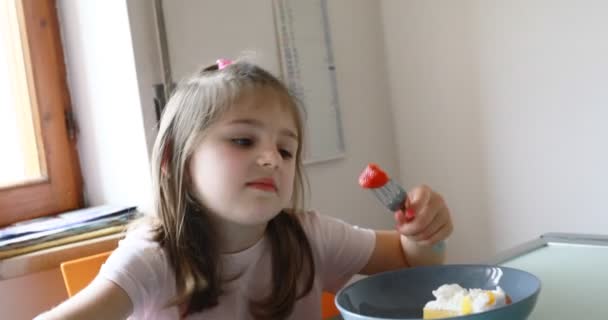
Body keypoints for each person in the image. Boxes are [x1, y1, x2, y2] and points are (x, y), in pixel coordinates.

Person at [36, 59, 453, 320]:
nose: (271, 158)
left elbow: (410, 263)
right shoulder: (152, 259)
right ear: (174, 162)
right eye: (242, 141)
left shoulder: (309, 235)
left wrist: (424, 233)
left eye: (286, 150)